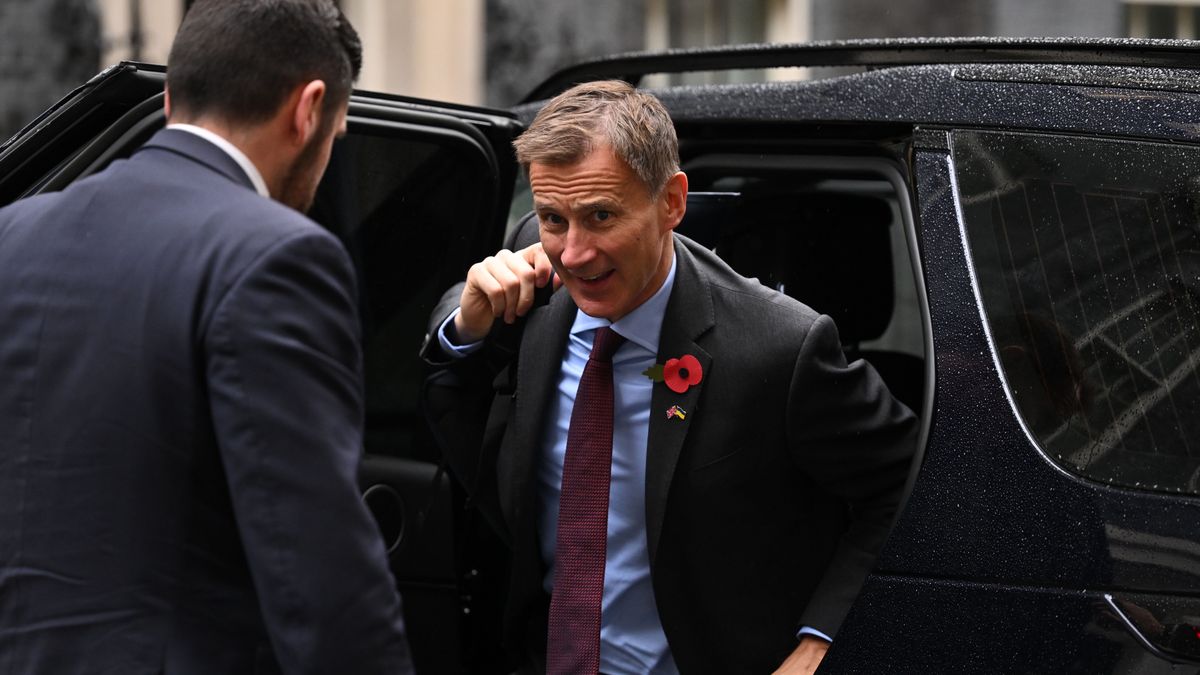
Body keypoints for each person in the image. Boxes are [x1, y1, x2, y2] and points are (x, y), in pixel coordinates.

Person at [422, 80, 918, 674]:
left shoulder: (779, 347)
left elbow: (906, 483)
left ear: (671, 202)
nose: (573, 253)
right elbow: (461, 346)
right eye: (554, 218)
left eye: (601, 216)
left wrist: (819, 640)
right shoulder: (536, 256)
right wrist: (465, 323)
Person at [0, 1, 414, 673]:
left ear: (170, 99)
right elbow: (317, 572)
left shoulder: (13, 233)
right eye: (338, 133)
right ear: (309, 109)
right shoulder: (276, 255)